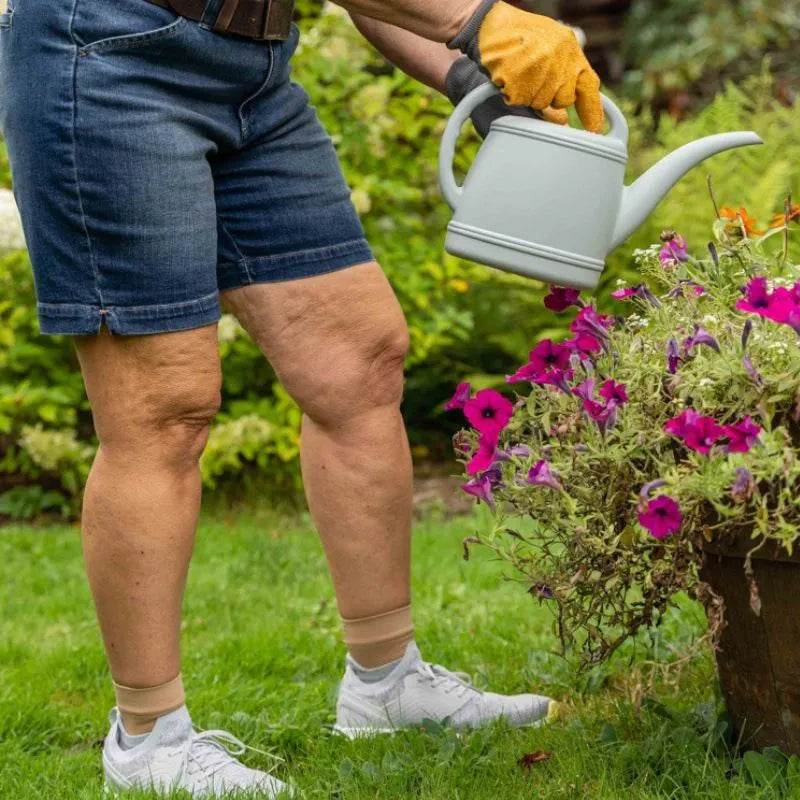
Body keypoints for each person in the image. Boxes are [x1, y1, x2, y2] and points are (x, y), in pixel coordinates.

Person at [0, 0, 603, 795]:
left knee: (359, 359)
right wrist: (475, 18)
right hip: (107, 56)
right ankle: (147, 741)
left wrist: (476, 82)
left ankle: (385, 683)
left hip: (252, 69)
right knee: (162, 410)